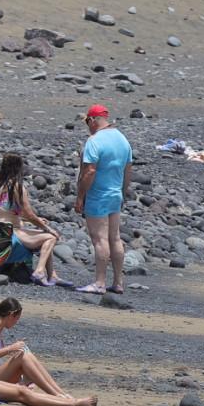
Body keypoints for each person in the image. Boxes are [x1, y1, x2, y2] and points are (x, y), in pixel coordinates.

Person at [74, 104, 133, 295]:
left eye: (87, 122)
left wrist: (80, 196)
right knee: (114, 238)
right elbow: (127, 170)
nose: (87, 126)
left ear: (92, 120)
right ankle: (118, 282)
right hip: (116, 194)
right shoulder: (123, 139)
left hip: (98, 195)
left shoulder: (94, 141)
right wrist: (123, 193)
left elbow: (89, 170)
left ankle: (99, 282)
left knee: (99, 239)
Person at [0, 297, 73, 397]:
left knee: (25, 354)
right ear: (11, 315)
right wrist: (9, 349)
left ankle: (60, 393)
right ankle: (56, 394)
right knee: (23, 356)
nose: (16, 322)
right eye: (17, 318)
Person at [0, 152, 62, 286]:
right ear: (18, 168)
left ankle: (52, 275)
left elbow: (5, 210)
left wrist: (29, 221)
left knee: (44, 237)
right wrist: (47, 228)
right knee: (50, 237)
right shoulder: (17, 187)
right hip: (9, 233)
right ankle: (39, 272)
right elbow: (29, 214)